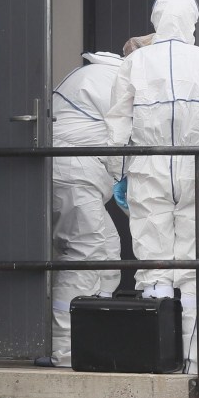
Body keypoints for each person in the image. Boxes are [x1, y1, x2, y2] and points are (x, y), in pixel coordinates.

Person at [105, 0, 199, 375]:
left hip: (150, 167)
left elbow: (116, 127)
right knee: (198, 264)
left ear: (156, 19)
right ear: (192, 21)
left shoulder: (135, 63)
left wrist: (121, 174)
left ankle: (159, 354)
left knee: (155, 264)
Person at [36, 46, 144, 368]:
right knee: (88, 253)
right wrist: (127, 182)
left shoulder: (97, 74)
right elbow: (122, 138)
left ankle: (93, 340)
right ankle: (65, 350)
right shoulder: (118, 80)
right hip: (75, 170)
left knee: (108, 248)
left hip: (70, 169)